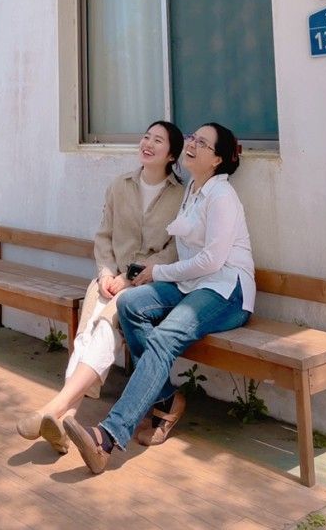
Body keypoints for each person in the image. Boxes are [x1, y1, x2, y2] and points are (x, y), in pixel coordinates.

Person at [63, 121, 254, 474]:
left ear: (217, 160)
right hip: (194, 285)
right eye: (193, 138)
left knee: (164, 337)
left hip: (226, 290)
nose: (192, 144)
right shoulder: (192, 192)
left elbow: (213, 260)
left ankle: (107, 437)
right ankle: (166, 396)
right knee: (130, 304)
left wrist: (157, 272)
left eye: (202, 142)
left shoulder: (222, 195)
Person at [15, 120, 185, 454]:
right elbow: (103, 236)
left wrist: (129, 278)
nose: (148, 143)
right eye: (146, 136)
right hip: (108, 279)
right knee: (86, 334)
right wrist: (107, 273)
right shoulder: (119, 186)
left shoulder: (181, 196)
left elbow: (174, 250)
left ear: (172, 154)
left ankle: (53, 409)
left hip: (143, 285)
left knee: (107, 327)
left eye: (158, 140)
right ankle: (65, 418)